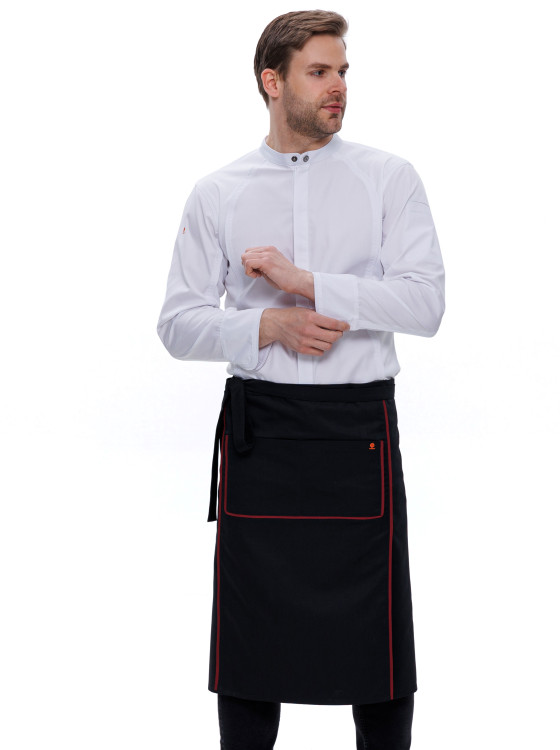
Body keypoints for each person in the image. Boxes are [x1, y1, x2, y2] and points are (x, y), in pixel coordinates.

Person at [157, 10, 445, 749]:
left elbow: (425, 305)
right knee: (252, 649)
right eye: (319, 72)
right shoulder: (217, 192)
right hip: (263, 437)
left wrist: (307, 284)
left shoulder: (389, 178)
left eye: (342, 71)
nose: (337, 86)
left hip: (358, 436)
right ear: (272, 81)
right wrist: (266, 326)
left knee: (378, 652)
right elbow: (177, 324)